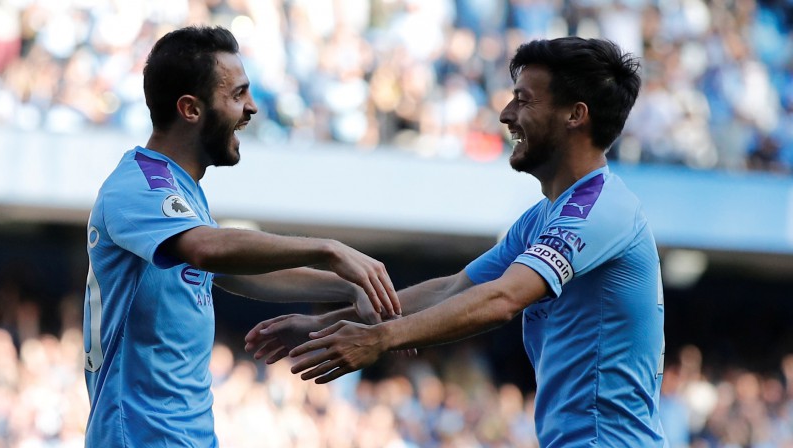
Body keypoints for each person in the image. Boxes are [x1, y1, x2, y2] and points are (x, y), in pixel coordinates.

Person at [246, 37, 667, 447]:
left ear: (575, 115)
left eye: (523, 100)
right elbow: (455, 288)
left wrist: (382, 339)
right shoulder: (544, 217)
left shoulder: (596, 209)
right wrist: (322, 326)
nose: (506, 114)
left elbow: (502, 299)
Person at [82, 25, 400, 447]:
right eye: (237, 95)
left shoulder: (180, 192)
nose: (251, 108)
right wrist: (329, 250)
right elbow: (209, 251)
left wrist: (350, 286)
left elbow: (231, 271)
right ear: (191, 109)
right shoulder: (139, 185)